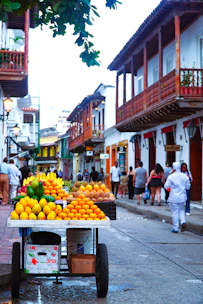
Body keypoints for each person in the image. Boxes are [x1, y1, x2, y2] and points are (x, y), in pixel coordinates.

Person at [164, 162, 190, 233]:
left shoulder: (171, 177)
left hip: (173, 197)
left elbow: (166, 186)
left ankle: (175, 228)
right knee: (181, 210)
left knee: (174, 212)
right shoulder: (185, 176)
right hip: (182, 196)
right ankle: (183, 221)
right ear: (180, 167)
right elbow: (188, 187)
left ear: (173, 168)